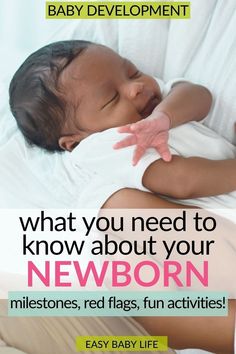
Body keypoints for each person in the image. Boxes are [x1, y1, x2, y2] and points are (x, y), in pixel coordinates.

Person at [7, 40, 236, 353]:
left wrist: (165, 116)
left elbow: (199, 95)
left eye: (132, 71)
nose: (136, 88)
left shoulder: (157, 107)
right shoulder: (103, 147)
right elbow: (183, 180)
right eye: (112, 98)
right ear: (74, 141)